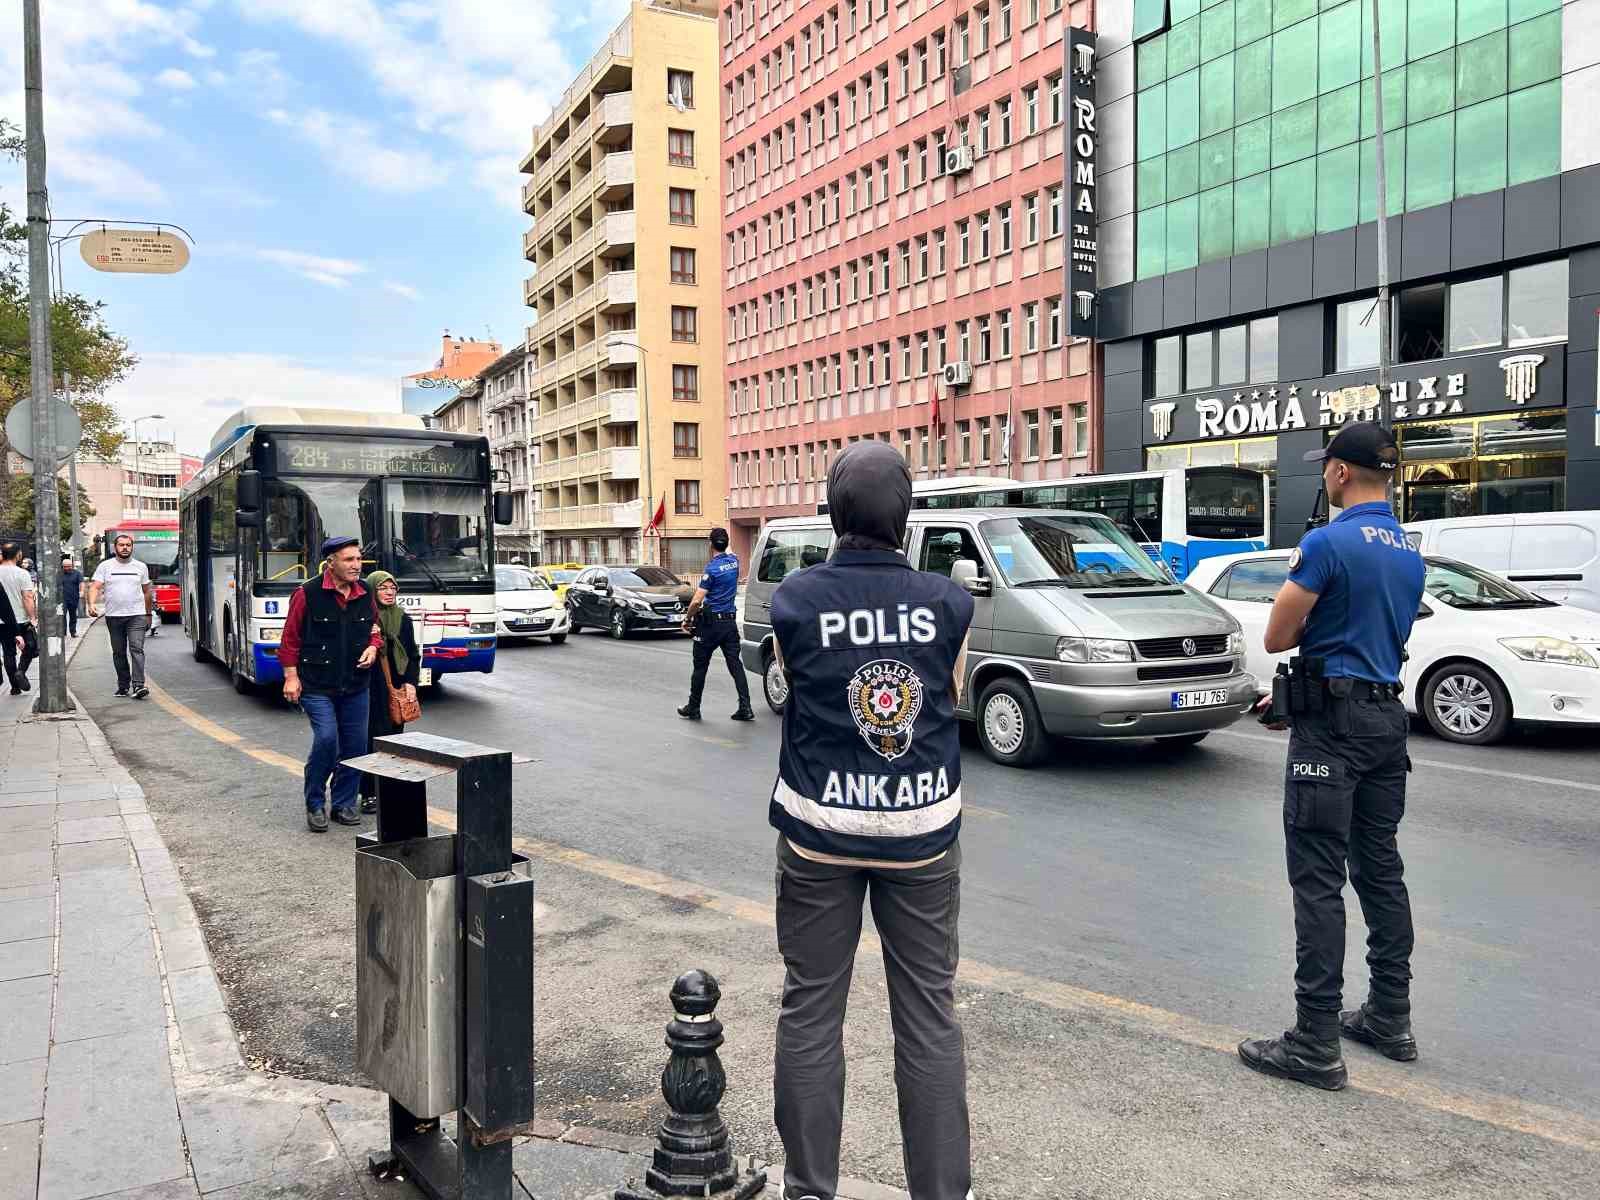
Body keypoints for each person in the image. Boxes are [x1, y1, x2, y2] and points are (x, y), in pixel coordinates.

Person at [766, 440, 976, 1200]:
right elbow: (945, 695)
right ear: (906, 514)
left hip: (818, 834)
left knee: (812, 1008)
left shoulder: (794, 599)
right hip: (920, 836)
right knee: (928, 1017)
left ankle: (809, 1190)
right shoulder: (950, 602)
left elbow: (796, 687)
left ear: (832, 511)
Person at [1239, 422, 1426, 1092]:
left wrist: (1312, 681)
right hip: (1385, 719)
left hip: (1333, 730)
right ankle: (1390, 1017)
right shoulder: (1408, 552)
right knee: (1380, 869)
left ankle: (1315, 1041)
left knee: (1318, 878)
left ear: (1341, 473)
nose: (1324, 475)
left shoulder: (1327, 542)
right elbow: (1383, 635)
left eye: (1327, 467)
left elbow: (1280, 630)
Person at [279, 537, 381, 833]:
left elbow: (375, 628)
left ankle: (343, 803)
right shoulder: (306, 593)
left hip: (355, 684)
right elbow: (290, 638)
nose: (356, 566)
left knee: (356, 746)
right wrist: (290, 676)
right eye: (349, 560)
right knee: (326, 740)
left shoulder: (365, 592)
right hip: (316, 684)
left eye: (359, 559)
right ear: (331, 563)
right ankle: (314, 803)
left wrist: (373, 647)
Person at [358, 570, 420, 814]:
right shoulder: (364, 618)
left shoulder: (402, 619)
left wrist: (411, 684)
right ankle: (369, 793)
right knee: (371, 740)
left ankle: (389, 789)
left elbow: (413, 655)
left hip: (395, 688)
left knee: (395, 738)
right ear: (373, 591)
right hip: (369, 687)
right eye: (383, 588)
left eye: (392, 588)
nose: (389, 592)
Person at [677, 527, 754, 722]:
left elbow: (696, 601)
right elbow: (730, 552)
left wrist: (687, 619)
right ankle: (745, 707)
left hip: (710, 624)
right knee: (735, 664)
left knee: (700, 666)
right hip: (729, 623)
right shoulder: (735, 562)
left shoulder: (711, 569)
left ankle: (693, 708)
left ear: (710, 545)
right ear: (727, 544)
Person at [88, 533, 154, 700]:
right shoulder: (105, 566)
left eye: (128, 545)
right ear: (115, 548)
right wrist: (91, 604)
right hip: (114, 616)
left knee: (136, 649)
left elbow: (147, 592)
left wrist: (148, 614)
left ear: (132, 547)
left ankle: (139, 685)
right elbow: (95, 587)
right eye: (121, 545)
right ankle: (123, 685)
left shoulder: (140, 567)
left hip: (137, 616)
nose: (125, 548)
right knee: (118, 652)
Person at [0, 542, 38, 696]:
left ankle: (15, 687)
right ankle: (21, 671)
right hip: (21, 619)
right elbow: (28, 597)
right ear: (18, 555)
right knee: (31, 647)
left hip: (2, 622)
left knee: (9, 653)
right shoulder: (22, 573)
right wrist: (33, 618)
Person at [61, 556, 83, 639]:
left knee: (73, 615)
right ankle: (63, 632)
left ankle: (73, 632)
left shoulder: (77, 573)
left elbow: (81, 583)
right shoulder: (59, 574)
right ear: (62, 566)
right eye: (65, 566)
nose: (67, 568)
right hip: (62, 599)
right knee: (62, 616)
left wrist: (81, 592)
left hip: (74, 597)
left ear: (72, 565)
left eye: (69, 566)